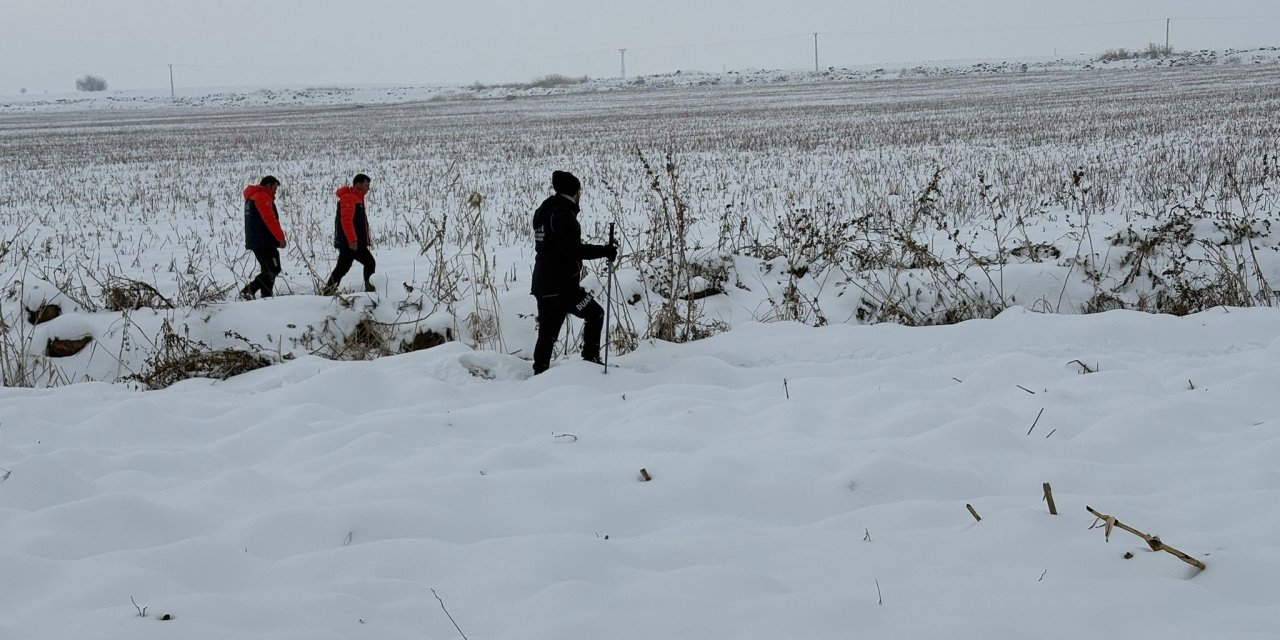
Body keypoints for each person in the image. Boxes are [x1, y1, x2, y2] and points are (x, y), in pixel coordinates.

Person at [530, 170, 617, 375]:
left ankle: (539, 373)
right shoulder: (563, 215)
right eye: (579, 191)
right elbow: (571, 250)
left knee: (547, 334)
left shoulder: (545, 211)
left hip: (543, 284)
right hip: (563, 287)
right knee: (595, 314)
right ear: (575, 192)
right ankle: (590, 362)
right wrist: (604, 251)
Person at [323, 173, 377, 294]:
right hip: (351, 242)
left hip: (353, 242)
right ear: (358, 184)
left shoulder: (357, 198)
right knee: (369, 262)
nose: (368, 189)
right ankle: (370, 290)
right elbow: (346, 221)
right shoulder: (349, 197)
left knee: (343, 267)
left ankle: (328, 290)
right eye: (366, 185)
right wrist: (352, 240)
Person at [240, 175, 286, 299]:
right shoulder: (262, 197)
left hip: (257, 241)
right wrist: (280, 238)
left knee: (267, 269)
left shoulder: (253, 197)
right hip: (264, 241)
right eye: (274, 188)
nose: (275, 192)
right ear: (268, 185)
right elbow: (270, 220)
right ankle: (249, 290)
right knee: (274, 268)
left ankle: (266, 296)